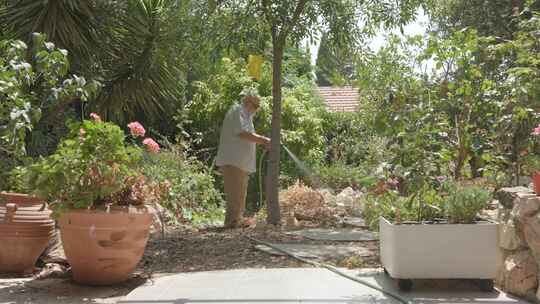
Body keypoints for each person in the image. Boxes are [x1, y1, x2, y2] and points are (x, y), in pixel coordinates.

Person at [215, 87, 270, 228]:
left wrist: (262, 141)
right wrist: (264, 140)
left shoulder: (246, 116)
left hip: (240, 162)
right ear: (248, 102)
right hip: (233, 161)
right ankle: (231, 224)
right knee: (235, 194)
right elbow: (242, 133)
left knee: (240, 194)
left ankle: (236, 221)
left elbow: (247, 136)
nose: (257, 109)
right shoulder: (237, 111)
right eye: (256, 106)